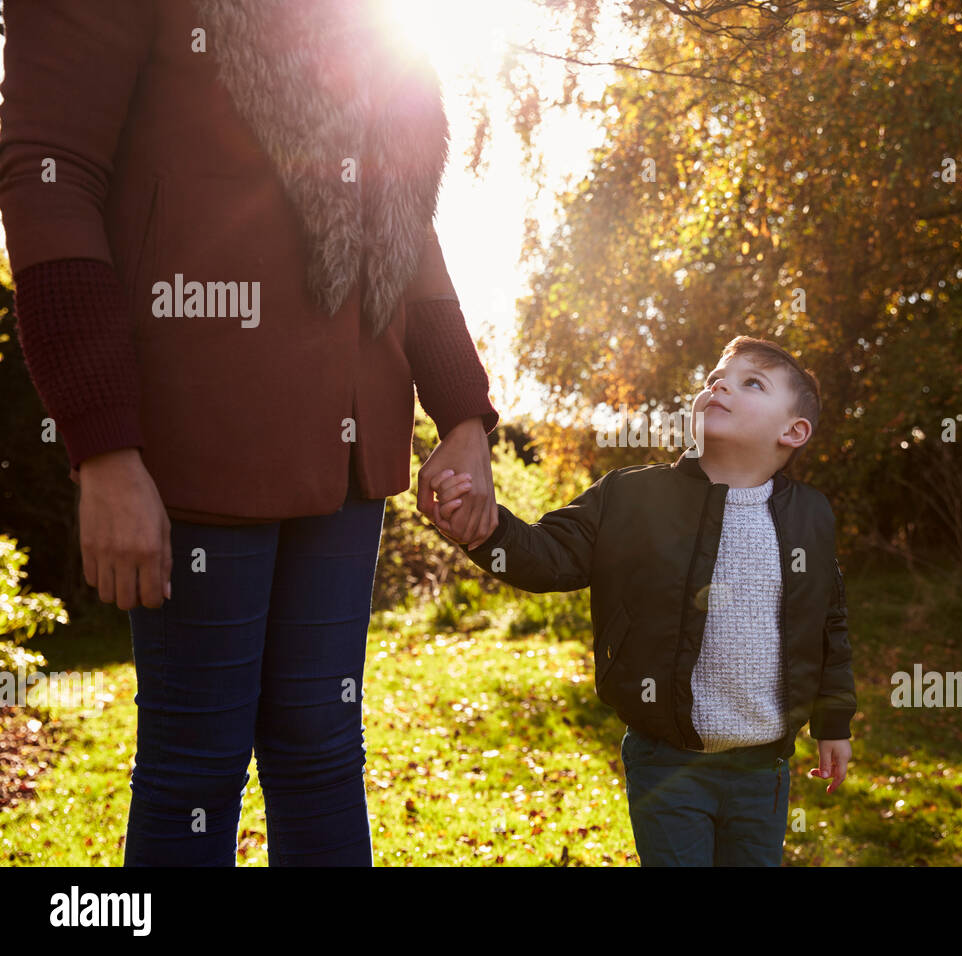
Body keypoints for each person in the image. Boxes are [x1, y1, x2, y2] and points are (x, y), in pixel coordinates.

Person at [0, 0, 500, 865]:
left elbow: (402, 220)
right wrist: (104, 447)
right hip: (195, 443)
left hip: (347, 463)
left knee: (323, 753)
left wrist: (463, 415)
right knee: (195, 768)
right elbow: (50, 174)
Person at [428, 335, 857, 866]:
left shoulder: (811, 516)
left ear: (793, 431)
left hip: (763, 768)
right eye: (715, 379)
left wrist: (833, 723)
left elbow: (828, 623)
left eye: (752, 383)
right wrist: (486, 533)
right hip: (666, 760)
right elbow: (550, 556)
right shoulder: (634, 497)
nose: (719, 385)